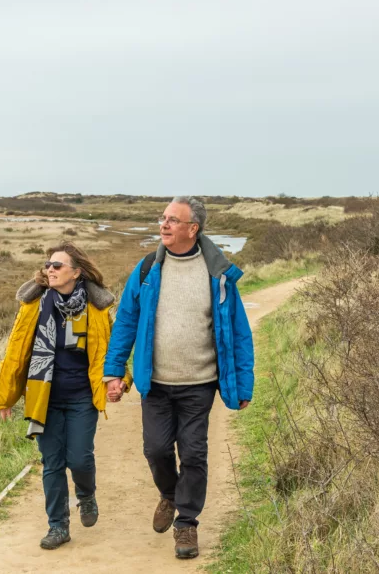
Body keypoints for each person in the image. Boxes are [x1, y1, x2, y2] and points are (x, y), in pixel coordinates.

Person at [103, 196, 254, 560]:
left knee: (194, 453)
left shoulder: (216, 273)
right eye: (163, 218)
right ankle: (169, 494)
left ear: (193, 229)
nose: (164, 225)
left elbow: (238, 331)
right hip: (154, 383)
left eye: (173, 220)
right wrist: (113, 371)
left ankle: (187, 523)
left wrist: (244, 384)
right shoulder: (145, 270)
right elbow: (124, 323)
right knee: (155, 450)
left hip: (198, 384)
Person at [0, 241, 128, 550]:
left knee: (79, 459)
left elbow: (111, 351)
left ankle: (86, 494)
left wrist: (118, 381)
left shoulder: (97, 307)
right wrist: (5, 397)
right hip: (45, 397)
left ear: (76, 273)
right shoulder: (34, 304)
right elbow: (16, 352)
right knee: (52, 463)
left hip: (82, 396)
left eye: (57, 265)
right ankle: (58, 526)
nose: (49, 270)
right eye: (48, 265)